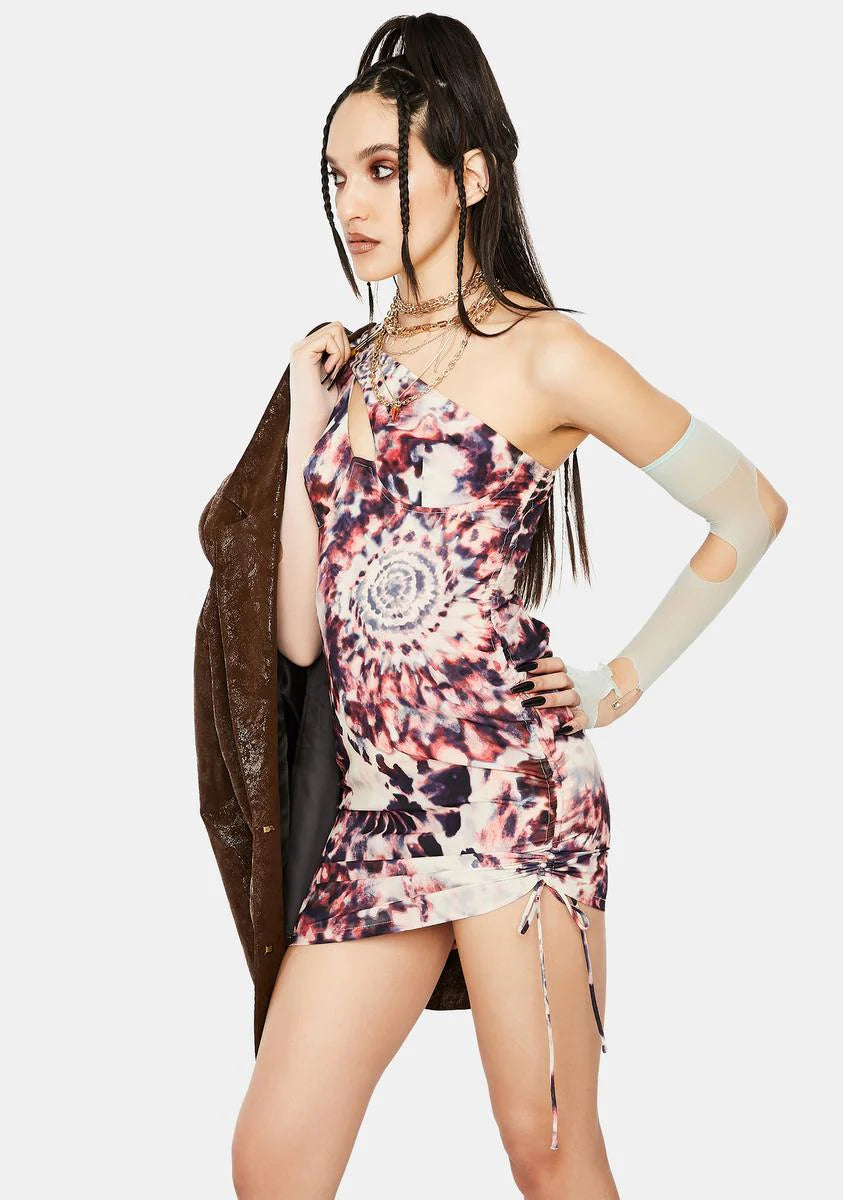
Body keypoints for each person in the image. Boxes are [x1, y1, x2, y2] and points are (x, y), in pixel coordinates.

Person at [226, 15, 788, 1199]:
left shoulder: (545, 355)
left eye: (384, 169)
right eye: (336, 176)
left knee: (548, 1153)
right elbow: (298, 638)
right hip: (379, 818)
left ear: (470, 176)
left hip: (513, 806)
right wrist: (304, 421)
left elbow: (749, 509)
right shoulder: (350, 365)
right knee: (272, 1161)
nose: (352, 204)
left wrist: (617, 683)